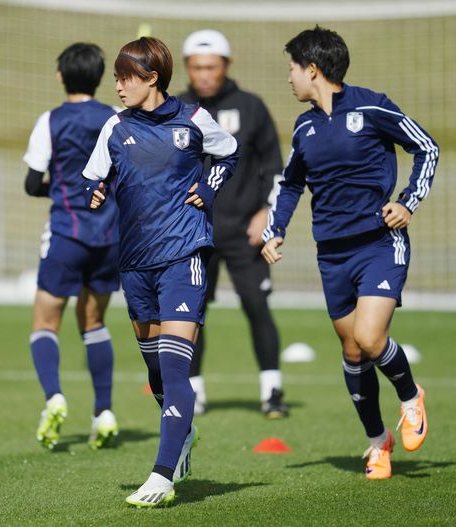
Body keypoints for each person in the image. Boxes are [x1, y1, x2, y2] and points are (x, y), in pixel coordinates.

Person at [261, 26, 437, 480]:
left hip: (379, 243)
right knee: (353, 349)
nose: (289, 78)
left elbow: (427, 148)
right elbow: (292, 182)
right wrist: (275, 229)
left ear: (313, 70)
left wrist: (407, 201)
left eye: (292, 69)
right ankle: (378, 442)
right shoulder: (303, 126)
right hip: (332, 254)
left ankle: (411, 394)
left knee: (371, 337)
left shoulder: (371, 105)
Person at [84, 36, 239, 507]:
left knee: (175, 367)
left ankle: (162, 475)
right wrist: (95, 190)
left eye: (125, 77)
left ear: (152, 78)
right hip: (134, 262)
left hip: (185, 253)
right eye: (116, 77)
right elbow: (95, 175)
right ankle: (183, 432)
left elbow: (229, 153)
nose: (118, 85)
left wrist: (209, 186)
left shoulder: (193, 119)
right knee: (155, 372)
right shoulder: (113, 125)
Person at [177, 29, 287, 417]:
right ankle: (193, 393)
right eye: (196, 67)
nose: (204, 74)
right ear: (187, 68)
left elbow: (275, 169)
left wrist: (266, 214)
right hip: (192, 232)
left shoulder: (251, 107)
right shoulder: (173, 108)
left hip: (245, 230)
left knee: (257, 306)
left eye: (211, 66)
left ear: (226, 65)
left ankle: (272, 392)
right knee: (189, 314)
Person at [23, 43, 120, 450]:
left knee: (46, 324)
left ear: (61, 75)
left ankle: (54, 397)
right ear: (100, 78)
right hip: (110, 238)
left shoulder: (51, 120)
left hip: (66, 234)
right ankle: (104, 411)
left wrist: (62, 188)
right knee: (94, 324)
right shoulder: (118, 119)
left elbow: (31, 184)